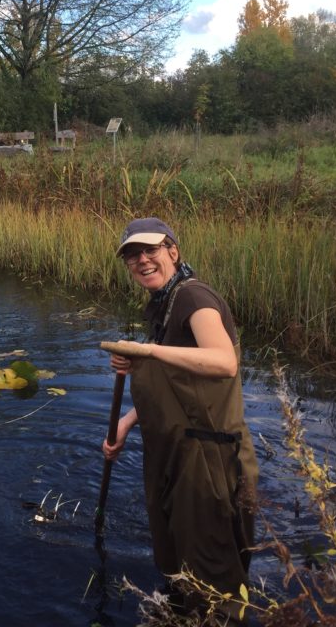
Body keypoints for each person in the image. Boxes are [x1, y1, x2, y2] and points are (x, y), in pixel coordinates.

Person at [101, 217, 258, 623]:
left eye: (150, 250)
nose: (141, 260)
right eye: (132, 255)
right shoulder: (163, 303)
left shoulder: (193, 297)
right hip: (178, 451)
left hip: (209, 459)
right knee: (180, 569)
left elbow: (224, 361)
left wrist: (147, 352)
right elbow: (179, 381)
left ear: (173, 250)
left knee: (215, 583)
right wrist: (129, 422)